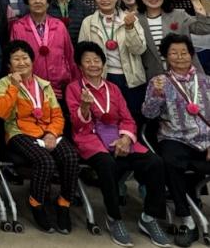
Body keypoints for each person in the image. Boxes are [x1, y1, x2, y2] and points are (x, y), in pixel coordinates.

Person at [66, 42, 169, 247]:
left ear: (103, 64)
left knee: (155, 163)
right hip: (90, 139)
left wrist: (125, 138)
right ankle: (114, 218)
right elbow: (77, 125)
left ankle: (148, 217)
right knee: (107, 164)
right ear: (80, 66)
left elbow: (128, 119)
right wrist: (84, 106)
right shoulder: (73, 88)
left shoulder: (113, 88)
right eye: (87, 61)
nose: (93, 65)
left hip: (118, 137)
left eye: (97, 60)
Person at [0, 40, 78, 234]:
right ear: (9, 65)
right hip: (19, 133)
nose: (21, 62)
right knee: (45, 161)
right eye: (16, 59)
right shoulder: (4, 83)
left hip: (47, 132)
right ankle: (36, 203)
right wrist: (14, 87)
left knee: (71, 157)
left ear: (32, 61)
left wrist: (51, 133)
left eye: (25, 58)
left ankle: (64, 203)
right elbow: (1, 113)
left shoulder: (44, 84)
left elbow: (57, 116)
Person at [143, 34, 210, 247]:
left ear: (191, 54)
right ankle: (187, 220)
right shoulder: (159, 82)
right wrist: (157, 94)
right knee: (170, 162)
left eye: (184, 52)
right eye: (174, 53)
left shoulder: (206, 81)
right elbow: (149, 114)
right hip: (175, 138)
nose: (180, 57)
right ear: (166, 56)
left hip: (206, 139)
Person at [78, 0, 147, 123]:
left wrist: (130, 28)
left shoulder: (130, 19)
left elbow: (139, 50)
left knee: (134, 116)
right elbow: (82, 53)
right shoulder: (88, 22)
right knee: (109, 117)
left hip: (131, 77)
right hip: (103, 77)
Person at [135, 0, 210, 79]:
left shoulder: (179, 15)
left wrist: (195, 0)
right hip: (155, 78)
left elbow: (205, 28)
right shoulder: (135, 20)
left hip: (187, 75)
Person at [10, 0, 77, 101]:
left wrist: (74, 84)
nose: (37, 1)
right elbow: (13, 59)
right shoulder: (18, 27)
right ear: (27, 3)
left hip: (59, 89)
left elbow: (69, 56)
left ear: (47, 2)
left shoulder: (59, 26)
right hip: (29, 90)